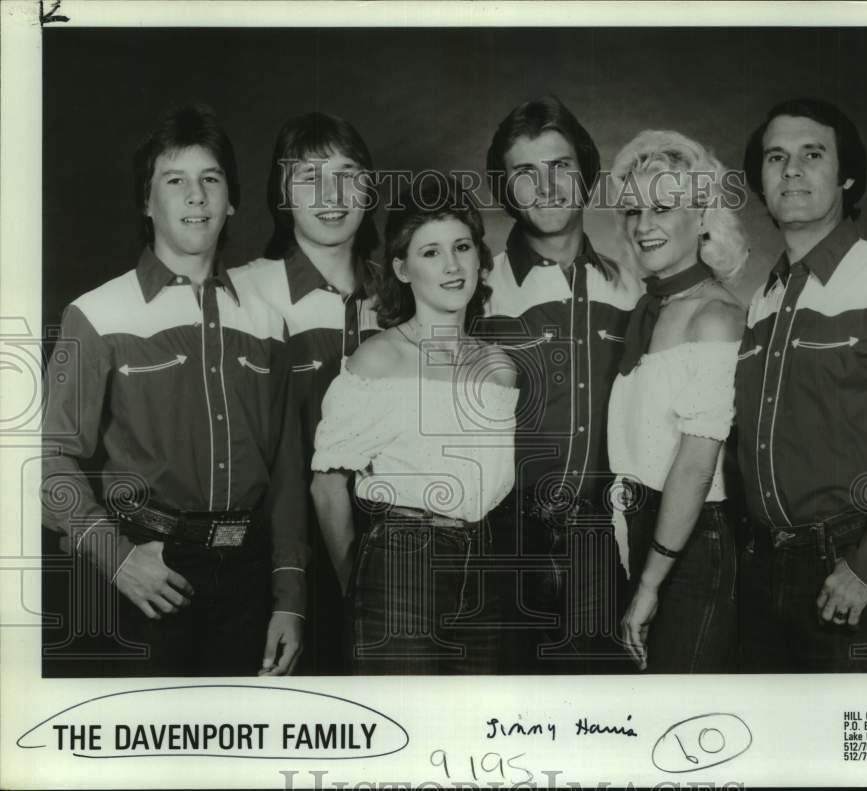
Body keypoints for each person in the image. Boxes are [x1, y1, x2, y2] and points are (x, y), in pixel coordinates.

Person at [40, 105, 307, 676]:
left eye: (211, 179)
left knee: (239, 754)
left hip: (248, 576)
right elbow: (47, 460)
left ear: (231, 200)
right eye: (174, 180)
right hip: (145, 568)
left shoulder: (268, 324)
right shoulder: (96, 314)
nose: (196, 196)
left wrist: (291, 598)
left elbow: (287, 473)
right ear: (146, 202)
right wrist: (116, 558)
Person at [735, 98, 867, 672]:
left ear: (847, 174)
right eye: (775, 157)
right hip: (766, 574)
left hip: (855, 571)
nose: (791, 170)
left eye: (813, 154)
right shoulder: (764, 298)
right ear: (760, 178)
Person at [310, 178, 518, 674]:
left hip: (483, 568)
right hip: (402, 562)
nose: (452, 266)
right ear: (402, 269)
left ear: (479, 258)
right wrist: (356, 585)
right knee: (405, 733)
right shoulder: (378, 359)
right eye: (431, 252)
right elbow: (326, 486)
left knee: (470, 736)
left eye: (462, 247)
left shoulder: (499, 367)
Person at [478, 95, 641, 673]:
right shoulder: (475, 287)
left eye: (560, 167)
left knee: (595, 713)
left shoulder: (634, 289)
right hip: (500, 537)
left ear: (586, 174)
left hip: (601, 536)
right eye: (525, 172)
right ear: (505, 186)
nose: (546, 187)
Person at [240, 112, 381, 674]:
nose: (331, 195)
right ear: (281, 192)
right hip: (280, 565)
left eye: (347, 175)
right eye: (308, 176)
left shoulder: (405, 294)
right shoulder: (245, 290)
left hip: (395, 556)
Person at [608, 130, 747, 673]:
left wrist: (649, 584)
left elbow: (694, 466)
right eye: (633, 210)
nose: (643, 227)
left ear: (703, 217)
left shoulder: (712, 316)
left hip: (688, 543)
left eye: (663, 208)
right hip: (641, 528)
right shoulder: (651, 309)